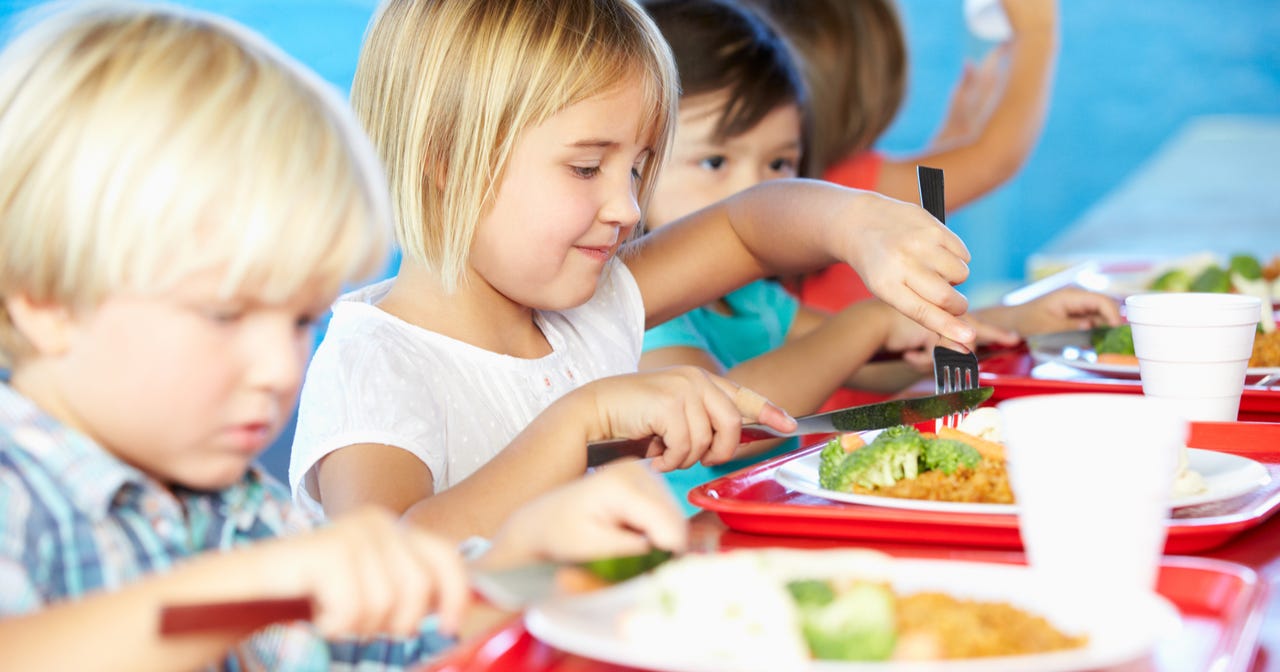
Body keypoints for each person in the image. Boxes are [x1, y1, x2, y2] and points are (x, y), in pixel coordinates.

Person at [0, 5, 690, 670]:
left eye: (300, 321)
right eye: (224, 314)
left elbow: (379, 648)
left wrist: (520, 565)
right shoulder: (19, 497)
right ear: (46, 300)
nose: (280, 369)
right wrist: (248, 589)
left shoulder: (237, 506)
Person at [291, 0, 978, 539]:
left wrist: (856, 224)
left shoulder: (585, 309)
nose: (625, 206)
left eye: (640, 168)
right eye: (587, 167)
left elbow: (747, 228)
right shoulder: (374, 363)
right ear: (445, 159)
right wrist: (579, 421)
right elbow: (391, 560)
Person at [636, 0, 1117, 509]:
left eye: (779, 162)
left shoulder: (752, 299)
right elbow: (733, 423)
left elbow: (873, 364)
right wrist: (866, 325)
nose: (753, 188)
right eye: (715, 160)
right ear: (635, 161)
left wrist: (1007, 321)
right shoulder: (640, 313)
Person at [744, 0, 1060, 312]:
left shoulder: (792, 186)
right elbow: (995, 160)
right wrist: (1036, 33)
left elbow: (918, 198)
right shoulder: (844, 188)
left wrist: (952, 142)